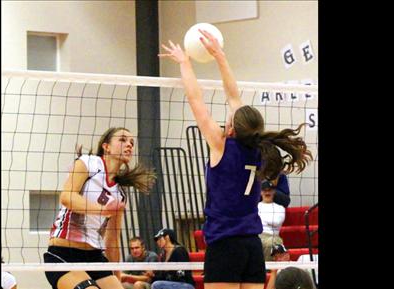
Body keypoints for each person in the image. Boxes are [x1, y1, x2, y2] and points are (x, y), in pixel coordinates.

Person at [159, 29, 313, 289]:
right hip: (252, 245)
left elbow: (196, 98)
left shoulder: (221, 145)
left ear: (232, 127)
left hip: (225, 243)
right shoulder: (258, 149)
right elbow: (234, 97)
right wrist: (219, 55)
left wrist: (185, 63)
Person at [43, 127, 156, 289]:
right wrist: (102, 210)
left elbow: (112, 241)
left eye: (132, 142)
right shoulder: (88, 163)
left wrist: (116, 278)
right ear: (106, 146)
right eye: (123, 140)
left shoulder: (119, 194)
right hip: (63, 254)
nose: (129, 145)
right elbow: (67, 197)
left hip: (94, 256)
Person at [258, 180, 286, 261]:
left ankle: (267, 270)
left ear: (274, 191)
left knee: (271, 243)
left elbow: (276, 222)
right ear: (260, 192)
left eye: (269, 190)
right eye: (264, 190)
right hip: (258, 235)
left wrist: (261, 218)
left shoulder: (280, 208)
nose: (267, 192)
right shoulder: (255, 206)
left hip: (273, 236)